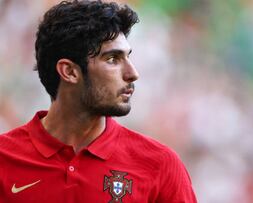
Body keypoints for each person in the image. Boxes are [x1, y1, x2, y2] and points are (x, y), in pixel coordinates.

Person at [0, 1, 197, 202]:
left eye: (128, 57)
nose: (133, 74)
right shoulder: (4, 158)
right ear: (69, 71)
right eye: (112, 59)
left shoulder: (160, 165)